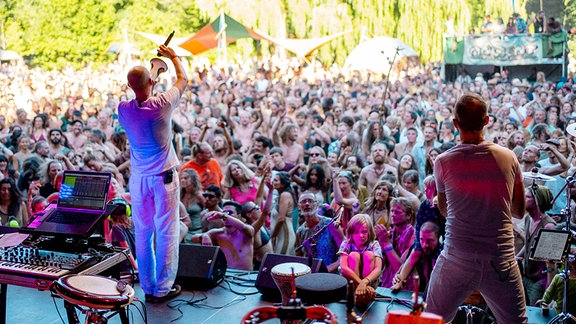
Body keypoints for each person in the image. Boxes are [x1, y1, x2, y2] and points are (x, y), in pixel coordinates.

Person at [425, 93, 527, 323]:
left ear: (455, 124)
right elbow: (519, 211)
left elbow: (445, 210)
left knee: (431, 320)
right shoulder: (509, 157)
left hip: (457, 259)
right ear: (487, 121)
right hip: (500, 259)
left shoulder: (443, 161)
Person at [117, 45, 187, 303]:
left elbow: (141, 97)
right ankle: (163, 289)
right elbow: (183, 80)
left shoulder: (123, 109)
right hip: (164, 179)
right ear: (152, 82)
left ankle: (147, 287)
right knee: (167, 231)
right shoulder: (162, 105)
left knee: (143, 233)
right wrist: (173, 58)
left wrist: (149, 81)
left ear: (128, 85)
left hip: (138, 181)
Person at [516, 185, 556, 306]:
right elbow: (528, 244)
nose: (523, 199)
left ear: (537, 201)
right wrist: (516, 257)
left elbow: (551, 261)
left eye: (527, 197)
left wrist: (549, 288)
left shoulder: (548, 226)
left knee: (535, 312)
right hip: (527, 276)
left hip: (540, 280)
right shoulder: (528, 219)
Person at [338, 213, 382, 306]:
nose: (361, 235)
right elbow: (344, 268)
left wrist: (365, 282)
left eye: (364, 232)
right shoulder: (347, 243)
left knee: (368, 255)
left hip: (369, 282)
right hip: (352, 282)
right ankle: (357, 294)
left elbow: (378, 268)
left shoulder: (374, 244)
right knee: (353, 255)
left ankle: (365, 294)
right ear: (351, 233)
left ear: (370, 232)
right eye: (356, 232)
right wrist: (361, 284)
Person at [295, 191, 344, 273]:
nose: (307, 204)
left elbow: (345, 251)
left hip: (331, 276)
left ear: (316, 204)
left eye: (310, 201)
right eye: (303, 201)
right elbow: (299, 259)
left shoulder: (330, 224)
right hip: (310, 278)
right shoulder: (300, 231)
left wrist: (329, 268)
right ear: (299, 206)